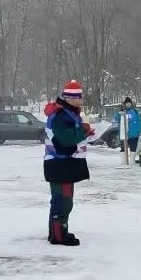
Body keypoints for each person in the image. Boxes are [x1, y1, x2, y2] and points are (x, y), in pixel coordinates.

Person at [44, 80, 91, 245]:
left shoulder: (67, 113)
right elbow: (65, 140)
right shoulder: (61, 115)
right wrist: (84, 131)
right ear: (70, 98)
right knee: (63, 201)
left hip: (63, 164)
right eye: (79, 97)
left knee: (63, 199)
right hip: (59, 164)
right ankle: (59, 235)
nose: (82, 100)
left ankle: (58, 231)